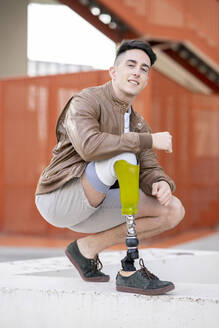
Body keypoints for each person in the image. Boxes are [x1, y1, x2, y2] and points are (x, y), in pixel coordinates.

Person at [35, 39, 185, 295]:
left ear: (146, 79)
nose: (137, 72)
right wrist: (148, 140)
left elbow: (149, 168)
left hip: (97, 207)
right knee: (123, 157)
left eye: (144, 69)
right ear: (114, 72)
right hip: (60, 197)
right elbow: (89, 146)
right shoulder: (85, 101)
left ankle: (86, 249)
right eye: (131, 65)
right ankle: (129, 267)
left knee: (172, 209)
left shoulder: (138, 124)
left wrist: (160, 183)